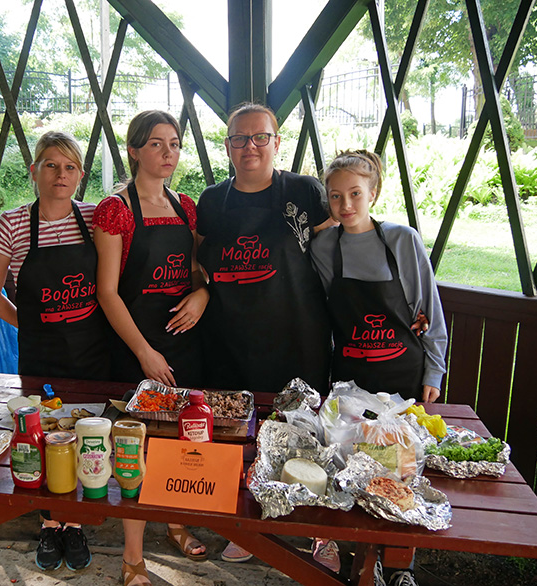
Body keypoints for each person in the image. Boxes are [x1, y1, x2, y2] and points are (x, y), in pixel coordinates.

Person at [196, 102, 337, 567]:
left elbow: (340, 254)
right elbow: (199, 262)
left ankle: (318, 532)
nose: (250, 146)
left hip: (299, 337)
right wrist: (200, 291)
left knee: (308, 437)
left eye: (261, 137)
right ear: (228, 146)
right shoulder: (212, 200)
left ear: (277, 142)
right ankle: (251, 527)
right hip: (233, 340)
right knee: (244, 439)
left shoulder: (305, 191)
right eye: (240, 138)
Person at [310, 149, 448, 586]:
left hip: (401, 377)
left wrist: (434, 372)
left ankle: (397, 562)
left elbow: (428, 310)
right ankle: (343, 545)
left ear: (374, 192)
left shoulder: (401, 240)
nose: (345, 206)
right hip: (351, 379)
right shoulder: (323, 247)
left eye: (355, 194)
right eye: (335, 197)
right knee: (347, 460)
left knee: (402, 467)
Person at [0, 130, 108, 573]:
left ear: (80, 175)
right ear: (34, 171)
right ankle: (50, 524)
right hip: (41, 353)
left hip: (93, 350)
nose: (61, 174)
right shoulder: (12, 223)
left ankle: (75, 522)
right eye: (51, 165)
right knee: (41, 435)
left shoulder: (94, 217)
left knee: (84, 434)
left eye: (70, 166)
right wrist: (33, 325)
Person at [93, 110, 209, 586]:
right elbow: (108, 292)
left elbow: (200, 272)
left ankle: (177, 522)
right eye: (157, 144)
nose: (168, 153)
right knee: (135, 448)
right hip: (136, 346)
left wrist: (203, 294)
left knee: (183, 439)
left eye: (175, 144)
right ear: (135, 150)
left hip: (186, 344)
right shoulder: (115, 209)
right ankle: (133, 556)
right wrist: (144, 353)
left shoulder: (186, 206)